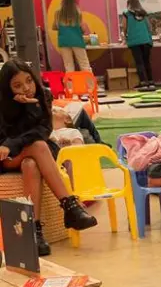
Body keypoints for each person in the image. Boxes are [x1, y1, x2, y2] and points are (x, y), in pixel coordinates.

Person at [0, 59, 96, 256]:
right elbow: (5, 140)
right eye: (17, 85)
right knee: (36, 147)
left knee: (31, 164)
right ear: (8, 88)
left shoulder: (44, 95)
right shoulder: (2, 104)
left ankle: (33, 232)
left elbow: (43, 130)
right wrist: (13, 141)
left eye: (29, 81)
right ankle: (70, 207)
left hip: (34, 151)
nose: (26, 88)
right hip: (9, 156)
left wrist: (30, 107)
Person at [52, 0, 93, 74]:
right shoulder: (78, 13)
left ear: (63, 1)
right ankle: (90, 85)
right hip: (77, 40)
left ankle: (70, 86)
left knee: (68, 66)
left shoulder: (57, 13)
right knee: (84, 65)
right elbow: (83, 30)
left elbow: (55, 27)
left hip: (64, 41)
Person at [120, 0, 155, 90]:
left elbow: (124, 27)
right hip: (146, 41)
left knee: (139, 62)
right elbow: (149, 27)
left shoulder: (126, 13)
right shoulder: (144, 13)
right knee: (146, 61)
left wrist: (125, 37)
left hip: (134, 41)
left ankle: (143, 83)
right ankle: (151, 82)